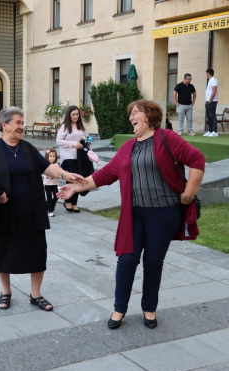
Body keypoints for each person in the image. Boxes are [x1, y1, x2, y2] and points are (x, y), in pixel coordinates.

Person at [58, 99, 205, 330]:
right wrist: (76, 187)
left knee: (153, 261)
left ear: (148, 115)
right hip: (134, 214)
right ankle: (119, 308)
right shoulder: (129, 146)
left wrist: (188, 195)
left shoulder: (167, 138)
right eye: (130, 114)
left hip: (164, 213)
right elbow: (105, 174)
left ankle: (149, 308)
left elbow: (197, 159)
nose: (130, 118)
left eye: (134, 113)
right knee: (127, 260)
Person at [0, 106, 83, 311]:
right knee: (3, 250)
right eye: (18, 123)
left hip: (31, 209)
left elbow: (46, 166)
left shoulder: (27, 148)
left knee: (36, 252)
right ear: (4, 125)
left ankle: (36, 294)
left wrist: (66, 175)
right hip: (3, 211)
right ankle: (5, 292)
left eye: (23, 123)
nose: (22, 127)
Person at [56, 105, 87, 213]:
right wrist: (74, 144)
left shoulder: (81, 126)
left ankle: (74, 203)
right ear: (69, 115)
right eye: (73, 114)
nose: (75, 116)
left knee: (78, 179)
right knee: (71, 178)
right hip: (67, 157)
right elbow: (58, 141)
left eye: (77, 114)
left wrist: (87, 144)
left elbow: (84, 139)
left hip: (79, 157)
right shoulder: (64, 127)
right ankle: (68, 201)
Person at [43, 148, 59, 217]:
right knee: (49, 197)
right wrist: (47, 176)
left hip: (55, 183)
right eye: (50, 156)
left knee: (56, 196)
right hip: (47, 184)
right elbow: (43, 172)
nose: (52, 158)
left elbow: (58, 173)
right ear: (47, 157)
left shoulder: (56, 165)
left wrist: (53, 176)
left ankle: (49, 207)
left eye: (54, 156)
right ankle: (50, 211)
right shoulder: (45, 164)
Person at [204, 68, 219, 137]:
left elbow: (214, 91)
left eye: (206, 73)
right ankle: (210, 130)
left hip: (212, 101)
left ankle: (215, 131)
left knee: (212, 116)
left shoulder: (213, 80)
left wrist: (210, 100)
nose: (206, 75)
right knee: (209, 116)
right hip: (208, 101)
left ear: (208, 73)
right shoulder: (210, 80)